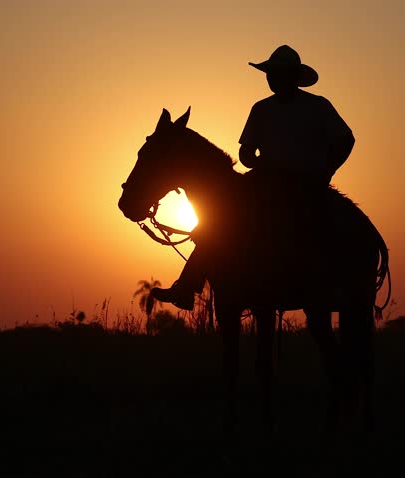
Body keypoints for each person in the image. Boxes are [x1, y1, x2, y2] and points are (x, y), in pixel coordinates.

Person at [151, 45, 354, 310]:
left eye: (276, 73)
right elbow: (246, 151)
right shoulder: (261, 109)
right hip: (265, 183)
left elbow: (346, 140)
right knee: (217, 222)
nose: (271, 79)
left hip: (305, 185)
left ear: (292, 76)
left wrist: (326, 171)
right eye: (270, 74)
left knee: (320, 228)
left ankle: (333, 283)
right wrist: (256, 162)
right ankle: (188, 285)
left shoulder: (318, 106)